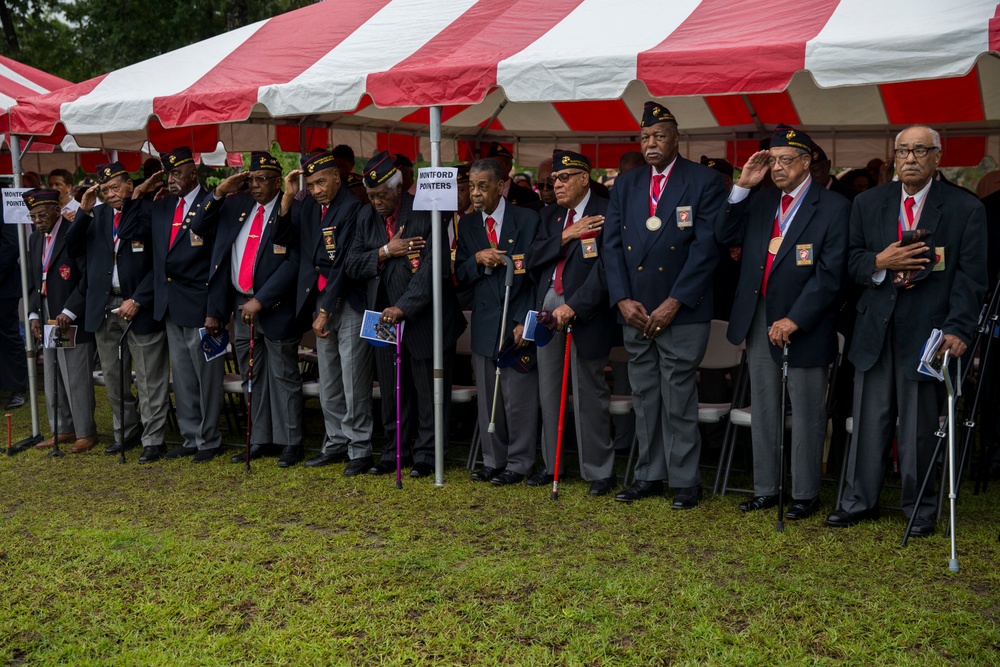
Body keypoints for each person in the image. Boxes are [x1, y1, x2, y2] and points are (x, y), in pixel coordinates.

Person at [826, 126, 988, 537]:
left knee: (918, 431)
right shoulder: (867, 202)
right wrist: (880, 261)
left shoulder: (964, 208)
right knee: (868, 422)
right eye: (903, 151)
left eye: (920, 150)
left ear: (938, 157)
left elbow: (972, 279)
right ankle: (858, 502)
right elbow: (850, 262)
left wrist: (958, 328)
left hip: (929, 334)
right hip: (874, 329)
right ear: (893, 157)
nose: (910, 158)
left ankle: (919, 510)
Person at [718, 125, 849, 520]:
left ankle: (805, 494)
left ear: (807, 162)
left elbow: (831, 275)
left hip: (804, 321)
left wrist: (795, 318)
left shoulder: (833, 207)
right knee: (764, 406)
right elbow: (724, 235)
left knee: (807, 410)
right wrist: (742, 187)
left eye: (784, 160)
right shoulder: (759, 202)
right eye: (771, 160)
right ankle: (766, 488)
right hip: (759, 315)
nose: (776, 167)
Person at [603, 101, 724, 508]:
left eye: (659, 136)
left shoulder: (703, 181)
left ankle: (686, 480)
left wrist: (675, 301)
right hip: (636, 311)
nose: (651, 143)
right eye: (645, 137)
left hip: (681, 309)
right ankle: (649, 474)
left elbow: (707, 250)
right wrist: (621, 299)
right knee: (644, 397)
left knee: (678, 398)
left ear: (677, 138)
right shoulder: (626, 184)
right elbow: (613, 247)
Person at [344, 151, 465, 478]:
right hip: (382, 319)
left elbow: (433, 269)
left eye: (382, 195)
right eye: (370, 196)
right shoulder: (365, 216)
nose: (376, 202)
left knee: (428, 391)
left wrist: (405, 307)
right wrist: (386, 251)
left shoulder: (426, 212)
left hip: (425, 318)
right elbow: (351, 263)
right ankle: (395, 450)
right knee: (393, 392)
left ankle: (427, 454)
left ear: (398, 188)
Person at [191, 152, 305, 467]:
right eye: (251, 179)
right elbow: (198, 227)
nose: (256, 186)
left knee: (284, 375)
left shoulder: (291, 207)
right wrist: (219, 191)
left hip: (273, 306)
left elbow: (293, 261)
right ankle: (259, 439)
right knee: (251, 376)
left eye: (263, 179)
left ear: (277, 180)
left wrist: (262, 299)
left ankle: (291, 442)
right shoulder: (236, 205)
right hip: (241, 306)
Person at [118, 147, 225, 463]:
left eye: (177, 172)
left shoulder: (212, 203)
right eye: (168, 173)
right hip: (169, 303)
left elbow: (218, 261)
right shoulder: (162, 206)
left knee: (206, 378)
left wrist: (215, 309)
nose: (171, 179)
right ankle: (192, 437)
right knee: (183, 378)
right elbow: (127, 232)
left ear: (194, 172)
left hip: (200, 303)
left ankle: (210, 438)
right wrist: (138, 194)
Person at [274, 151, 375, 476]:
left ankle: (359, 448)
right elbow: (283, 241)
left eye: (321, 182)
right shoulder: (307, 207)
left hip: (346, 302)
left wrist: (325, 310)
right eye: (310, 184)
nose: (316, 189)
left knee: (352, 378)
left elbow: (345, 265)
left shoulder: (353, 208)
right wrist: (288, 197)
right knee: (329, 377)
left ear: (337, 177)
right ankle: (334, 443)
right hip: (319, 300)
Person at [526, 149, 617, 496]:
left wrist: (575, 306)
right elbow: (531, 259)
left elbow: (607, 270)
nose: (557, 185)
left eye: (565, 178)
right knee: (549, 390)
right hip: (548, 303)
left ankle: (598, 471)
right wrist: (567, 235)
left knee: (589, 391)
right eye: (553, 181)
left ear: (584, 177)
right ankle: (553, 466)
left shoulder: (607, 212)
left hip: (585, 309)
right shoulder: (550, 217)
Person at [68, 163, 168, 456]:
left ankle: (153, 439)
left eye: (116, 187)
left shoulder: (147, 211)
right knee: (114, 376)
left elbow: (159, 263)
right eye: (105, 190)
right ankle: (126, 431)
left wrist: (138, 298)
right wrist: (84, 211)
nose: (111, 195)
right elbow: (73, 248)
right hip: (104, 304)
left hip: (138, 303)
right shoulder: (96, 216)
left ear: (129, 184)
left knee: (150, 377)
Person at [456, 158, 540, 486]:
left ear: (501, 186)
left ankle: (519, 463)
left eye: (482, 186)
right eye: (471, 186)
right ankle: (494, 460)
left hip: (516, 321)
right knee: (488, 398)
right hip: (485, 321)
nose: (475, 194)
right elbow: (460, 275)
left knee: (517, 399)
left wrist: (524, 321)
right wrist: (476, 259)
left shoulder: (527, 219)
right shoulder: (468, 224)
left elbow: (537, 275)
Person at [23, 189, 97, 451]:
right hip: (46, 312)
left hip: (69, 315)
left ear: (56, 209)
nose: (37, 220)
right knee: (53, 373)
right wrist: (33, 314)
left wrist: (70, 310)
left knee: (75, 374)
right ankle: (62, 428)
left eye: (42, 214)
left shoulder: (73, 232)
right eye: (32, 216)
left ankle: (85, 431)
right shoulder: (34, 239)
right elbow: (33, 280)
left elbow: (87, 278)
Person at [0, 195, 27, 411]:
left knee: (8, 336)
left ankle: (18, 387)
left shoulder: (3, 204)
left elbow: (10, 244)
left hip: (3, 285)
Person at [485, 142, 541, 209]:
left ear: (509, 166)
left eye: (497, 164)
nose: (492, 168)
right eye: (490, 164)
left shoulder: (528, 195)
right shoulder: (481, 192)